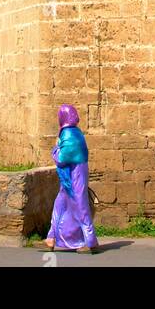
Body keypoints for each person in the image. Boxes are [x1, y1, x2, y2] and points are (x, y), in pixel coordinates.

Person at [45, 104, 99, 253]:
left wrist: (55, 149)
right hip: (71, 177)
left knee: (80, 206)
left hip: (75, 177)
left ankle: (89, 241)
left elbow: (62, 158)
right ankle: (52, 238)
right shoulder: (75, 133)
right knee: (61, 205)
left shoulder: (69, 134)